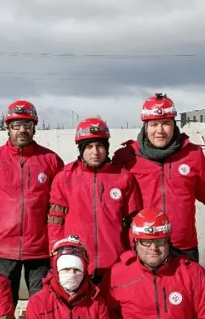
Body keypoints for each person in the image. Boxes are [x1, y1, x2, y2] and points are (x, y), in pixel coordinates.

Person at [0, 99, 64, 302]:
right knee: (3, 304)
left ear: (34, 127)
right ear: (7, 127)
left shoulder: (51, 161)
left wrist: (57, 241)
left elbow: (59, 204)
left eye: (27, 125)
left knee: (44, 304)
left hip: (39, 249)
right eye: (16, 125)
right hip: (3, 248)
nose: (22, 130)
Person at [112, 93, 205, 262]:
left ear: (174, 124)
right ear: (145, 126)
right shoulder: (126, 157)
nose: (159, 131)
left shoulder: (193, 154)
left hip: (183, 246)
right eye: (153, 124)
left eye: (166, 123)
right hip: (144, 245)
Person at [48, 118, 141, 284]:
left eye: (100, 146)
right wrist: (57, 254)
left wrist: (132, 254)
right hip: (77, 262)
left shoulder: (123, 177)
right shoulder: (65, 178)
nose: (95, 152)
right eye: (89, 147)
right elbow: (55, 221)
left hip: (115, 263)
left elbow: (133, 221)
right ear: (81, 149)